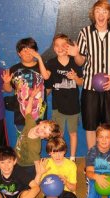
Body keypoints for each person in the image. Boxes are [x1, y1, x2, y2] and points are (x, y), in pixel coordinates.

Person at [66, 0, 110, 149]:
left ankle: (106, 159)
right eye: (98, 10)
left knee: (108, 126)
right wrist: (75, 55)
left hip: (109, 86)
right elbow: (81, 62)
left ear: (109, 15)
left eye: (105, 11)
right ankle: (92, 160)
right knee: (91, 126)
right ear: (93, 13)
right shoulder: (85, 32)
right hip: (89, 88)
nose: (101, 14)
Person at [45, 34, 83, 162]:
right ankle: (57, 157)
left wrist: (75, 78)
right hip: (57, 106)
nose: (60, 48)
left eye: (63, 45)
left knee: (73, 133)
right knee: (58, 134)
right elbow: (48, 85)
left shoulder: (75, 62)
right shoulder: (50, 63)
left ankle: (72, 158)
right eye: (57, 45)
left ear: (68, 47)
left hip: (73, 106)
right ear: (53, 47)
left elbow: (81, 82)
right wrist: (40, 98)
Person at [4, 37, 50, 128]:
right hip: (20, 115)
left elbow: (48, 84)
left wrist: (39, 97)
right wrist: (6, 82)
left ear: (36, 52)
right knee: (21, 141)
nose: (28, 54)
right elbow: (8, 89)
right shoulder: (14, 69)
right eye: (25, 51)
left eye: (31, 51)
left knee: (36, 140)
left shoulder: (43, 67)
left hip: (39, 115)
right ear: (19, 53)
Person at [15, 86, 61, 169]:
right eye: (44, 127)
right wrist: (32, 97)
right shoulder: (31, 124)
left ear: (43, 137)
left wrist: (39, 176)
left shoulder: (35, 146)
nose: (41, 131)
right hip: (17, 160)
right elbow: (28, 112)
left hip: (28, 166)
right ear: (41, 122)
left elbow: (37, 165)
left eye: (44, 133)